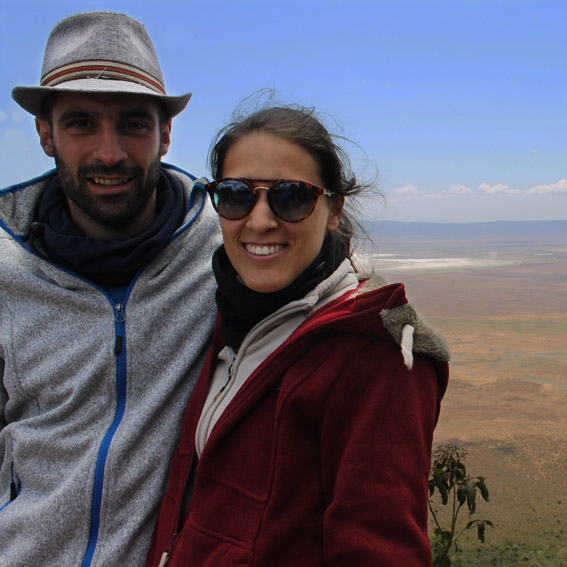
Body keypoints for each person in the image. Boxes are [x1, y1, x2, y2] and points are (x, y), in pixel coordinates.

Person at [146, 104, 450, 567]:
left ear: (334, 209)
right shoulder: (231, 321)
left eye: (291, 197)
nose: (261, 220)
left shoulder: (375, 359)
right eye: (235, 195)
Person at [0, 12, 220, 566]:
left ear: (165, 133)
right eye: (80, 124)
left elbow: (315, 281)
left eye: (133, 124)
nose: (110, 153)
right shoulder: (5, 265)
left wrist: (387, 326)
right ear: (44, 133)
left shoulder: (222, 247)